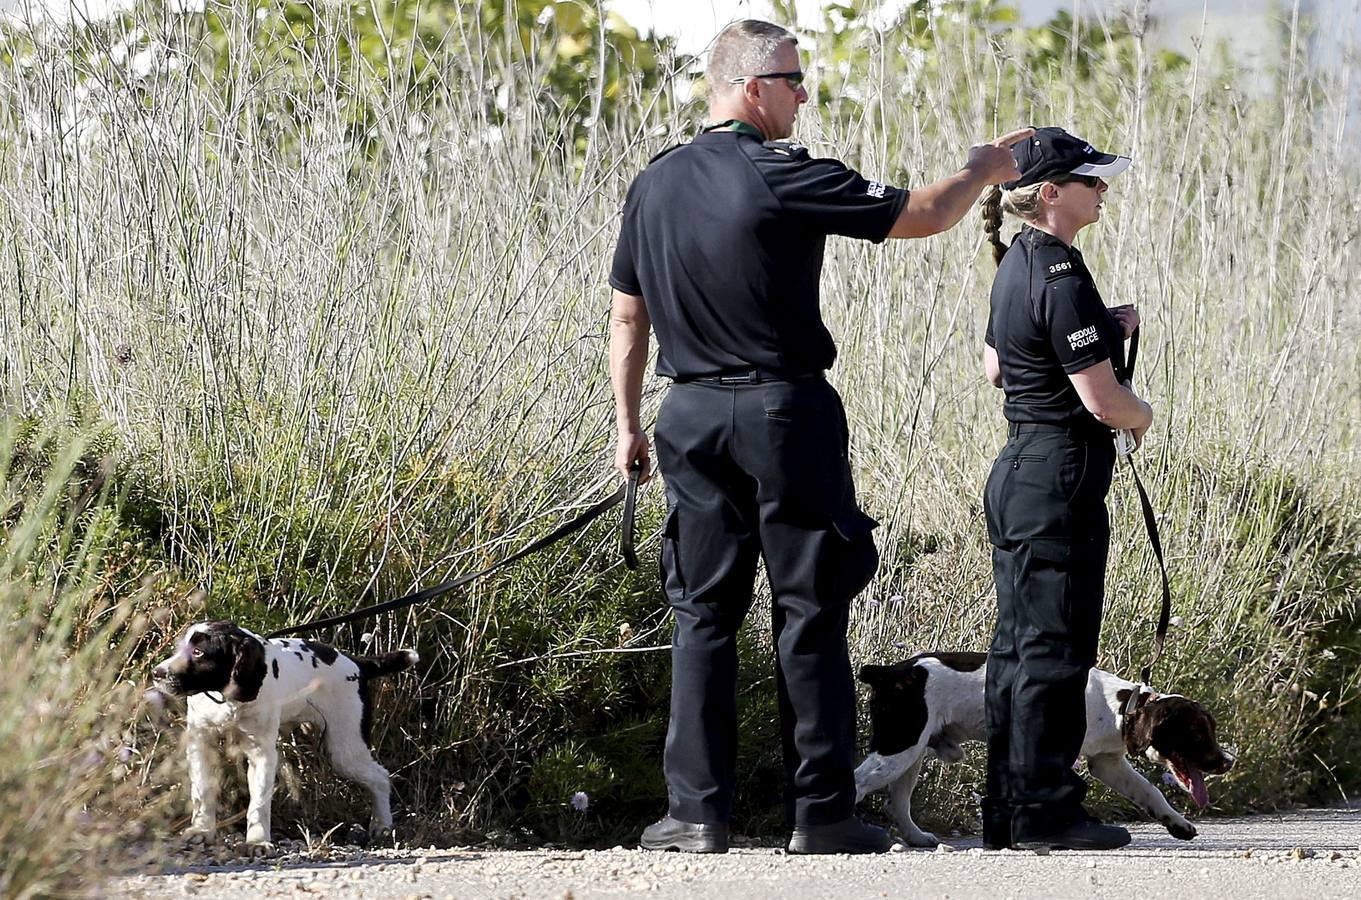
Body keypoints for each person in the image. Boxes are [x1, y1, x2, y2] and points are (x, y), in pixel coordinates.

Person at [607, 18, 1030, 855]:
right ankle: (822, 815)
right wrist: (981, 167)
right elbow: (920, 215)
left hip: (685, 415)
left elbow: (627, 315)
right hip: (779, 414)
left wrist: (626, 424)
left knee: (701, 619)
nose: (805, 94)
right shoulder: (778, 175)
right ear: (751, 87)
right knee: (807, 613)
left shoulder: (652, 185)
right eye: (795, 79)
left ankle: (693, 816)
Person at [978, 126, 1152, 851]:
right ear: (1050, 193)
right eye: (1090, 181)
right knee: (1054, 650)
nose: (1102, 189)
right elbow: (1102, 402)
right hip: (1058, 475)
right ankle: (1047, 810)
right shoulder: (1062, 274)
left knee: (1017, 649)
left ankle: (1008, 811)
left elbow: (996, 366)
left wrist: (1104, 327)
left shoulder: (1017, 265)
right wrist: (1141, 416)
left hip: (1018, 469)